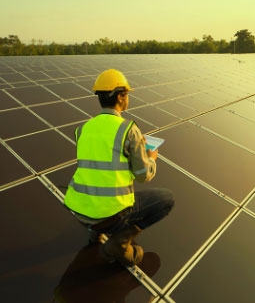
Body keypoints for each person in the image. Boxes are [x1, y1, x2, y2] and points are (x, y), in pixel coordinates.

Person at [64, 68, 174, 267]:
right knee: (166, 199)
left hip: (78, 209)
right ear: (122, 97)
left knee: (100, 192)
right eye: (127, 94)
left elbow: (98, 167)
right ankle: (119, 243)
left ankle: (94, 233)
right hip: (111, 214)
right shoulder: (128, 129)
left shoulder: (82, 129)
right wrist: (151, 158)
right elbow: (143, 175)